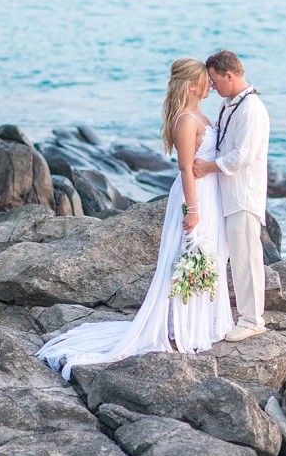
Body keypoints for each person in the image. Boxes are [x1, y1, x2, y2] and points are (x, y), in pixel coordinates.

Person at [38, 58, 233, 380]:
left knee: (207, 257)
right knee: (187, 257)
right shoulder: (185, 120)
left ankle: (200, 320)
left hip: (210, 194)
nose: (211, 84)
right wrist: (193, 210)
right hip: (194, 195)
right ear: (192, 85)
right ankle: (180, 326)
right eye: (205, 80)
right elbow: (185, 168)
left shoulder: (201, 114)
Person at [193, 50, 270, 342]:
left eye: (214, 81)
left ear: (230, 75)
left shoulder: (251, 109)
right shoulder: (229, 105)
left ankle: (253, 320)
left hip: (244, 194)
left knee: (247, 257)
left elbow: (243, 156)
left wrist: (209, 168)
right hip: (227, 193)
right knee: (234, 256)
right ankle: (240, 315)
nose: (212, 87)